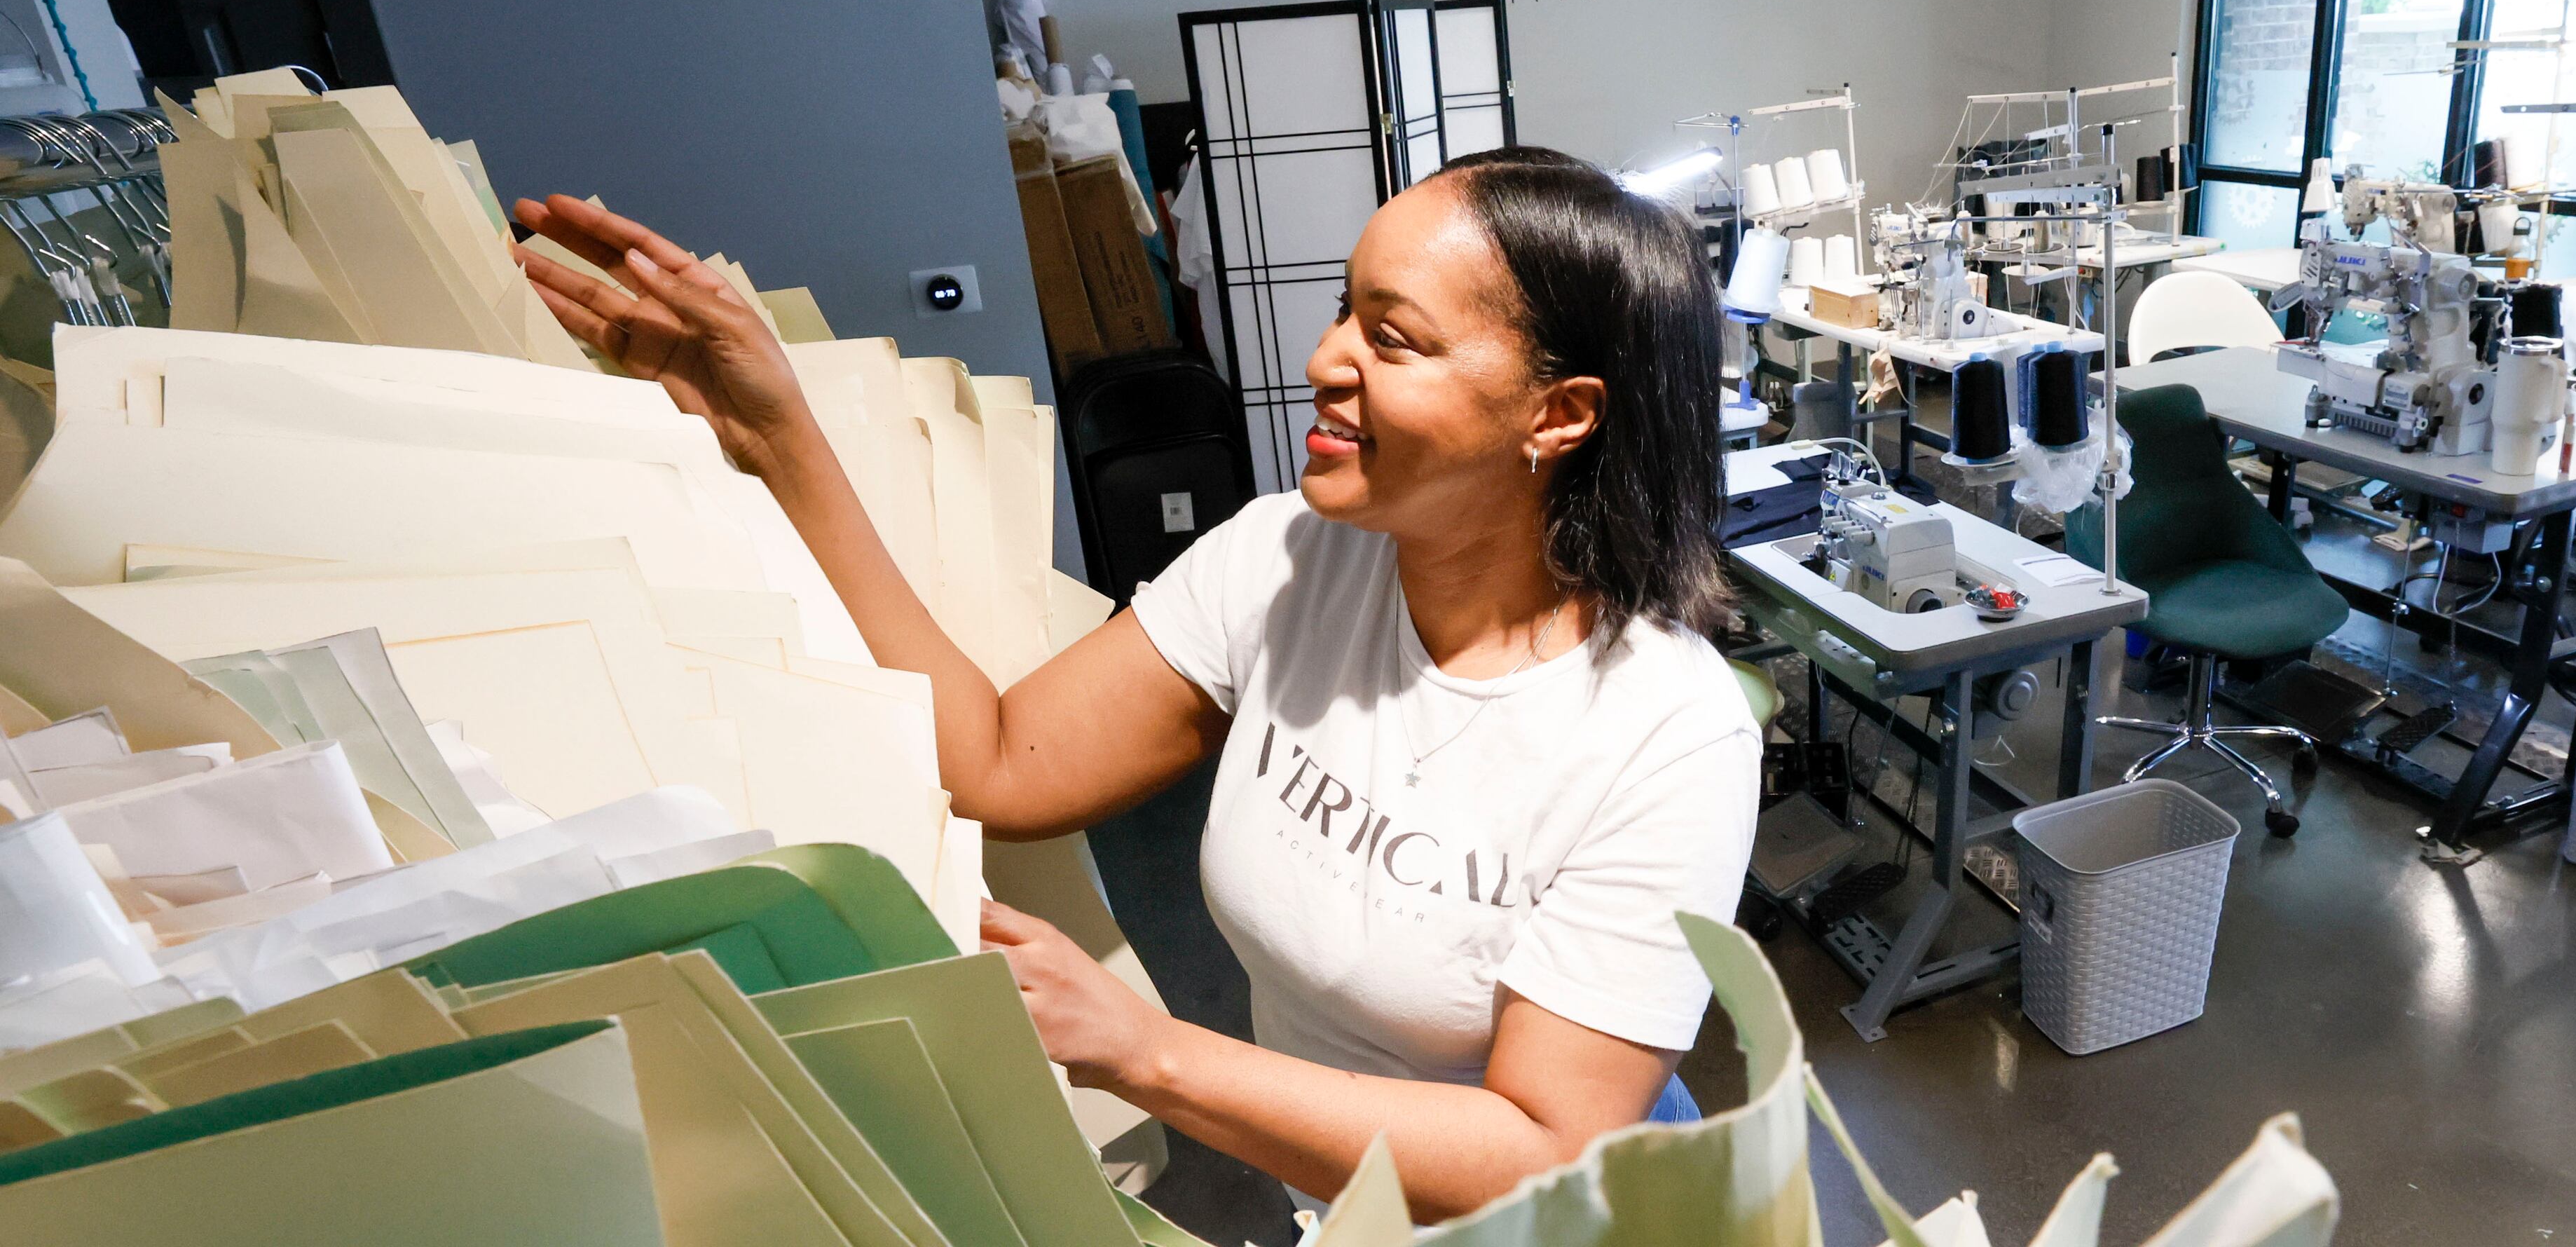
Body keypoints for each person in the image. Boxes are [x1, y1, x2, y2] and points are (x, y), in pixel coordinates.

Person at [511, 146, 1760, 1224]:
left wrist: (1145, 1050)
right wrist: (777, 435)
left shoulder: (1669, 732)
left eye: (1392, 338)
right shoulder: (1285, 560)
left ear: (1559, 415)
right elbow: (1005, 763)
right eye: (1343, 310)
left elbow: (1547, 1148)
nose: (1325, 358)